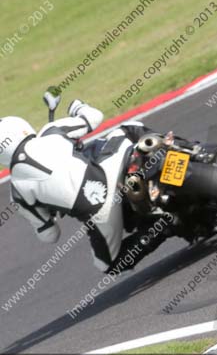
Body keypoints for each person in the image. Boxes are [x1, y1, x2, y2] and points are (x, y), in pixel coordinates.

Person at [0, 100, 154, 274]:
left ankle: (161, 229)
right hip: (110, 171)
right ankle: (174, 148)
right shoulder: (50, 132)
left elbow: (50, 235)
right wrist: (78, 107)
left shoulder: (17, 192)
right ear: (21, 127)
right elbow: (95, 117)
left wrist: (49, 215)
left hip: (101, 214)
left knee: (107, 265)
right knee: (128, 129)